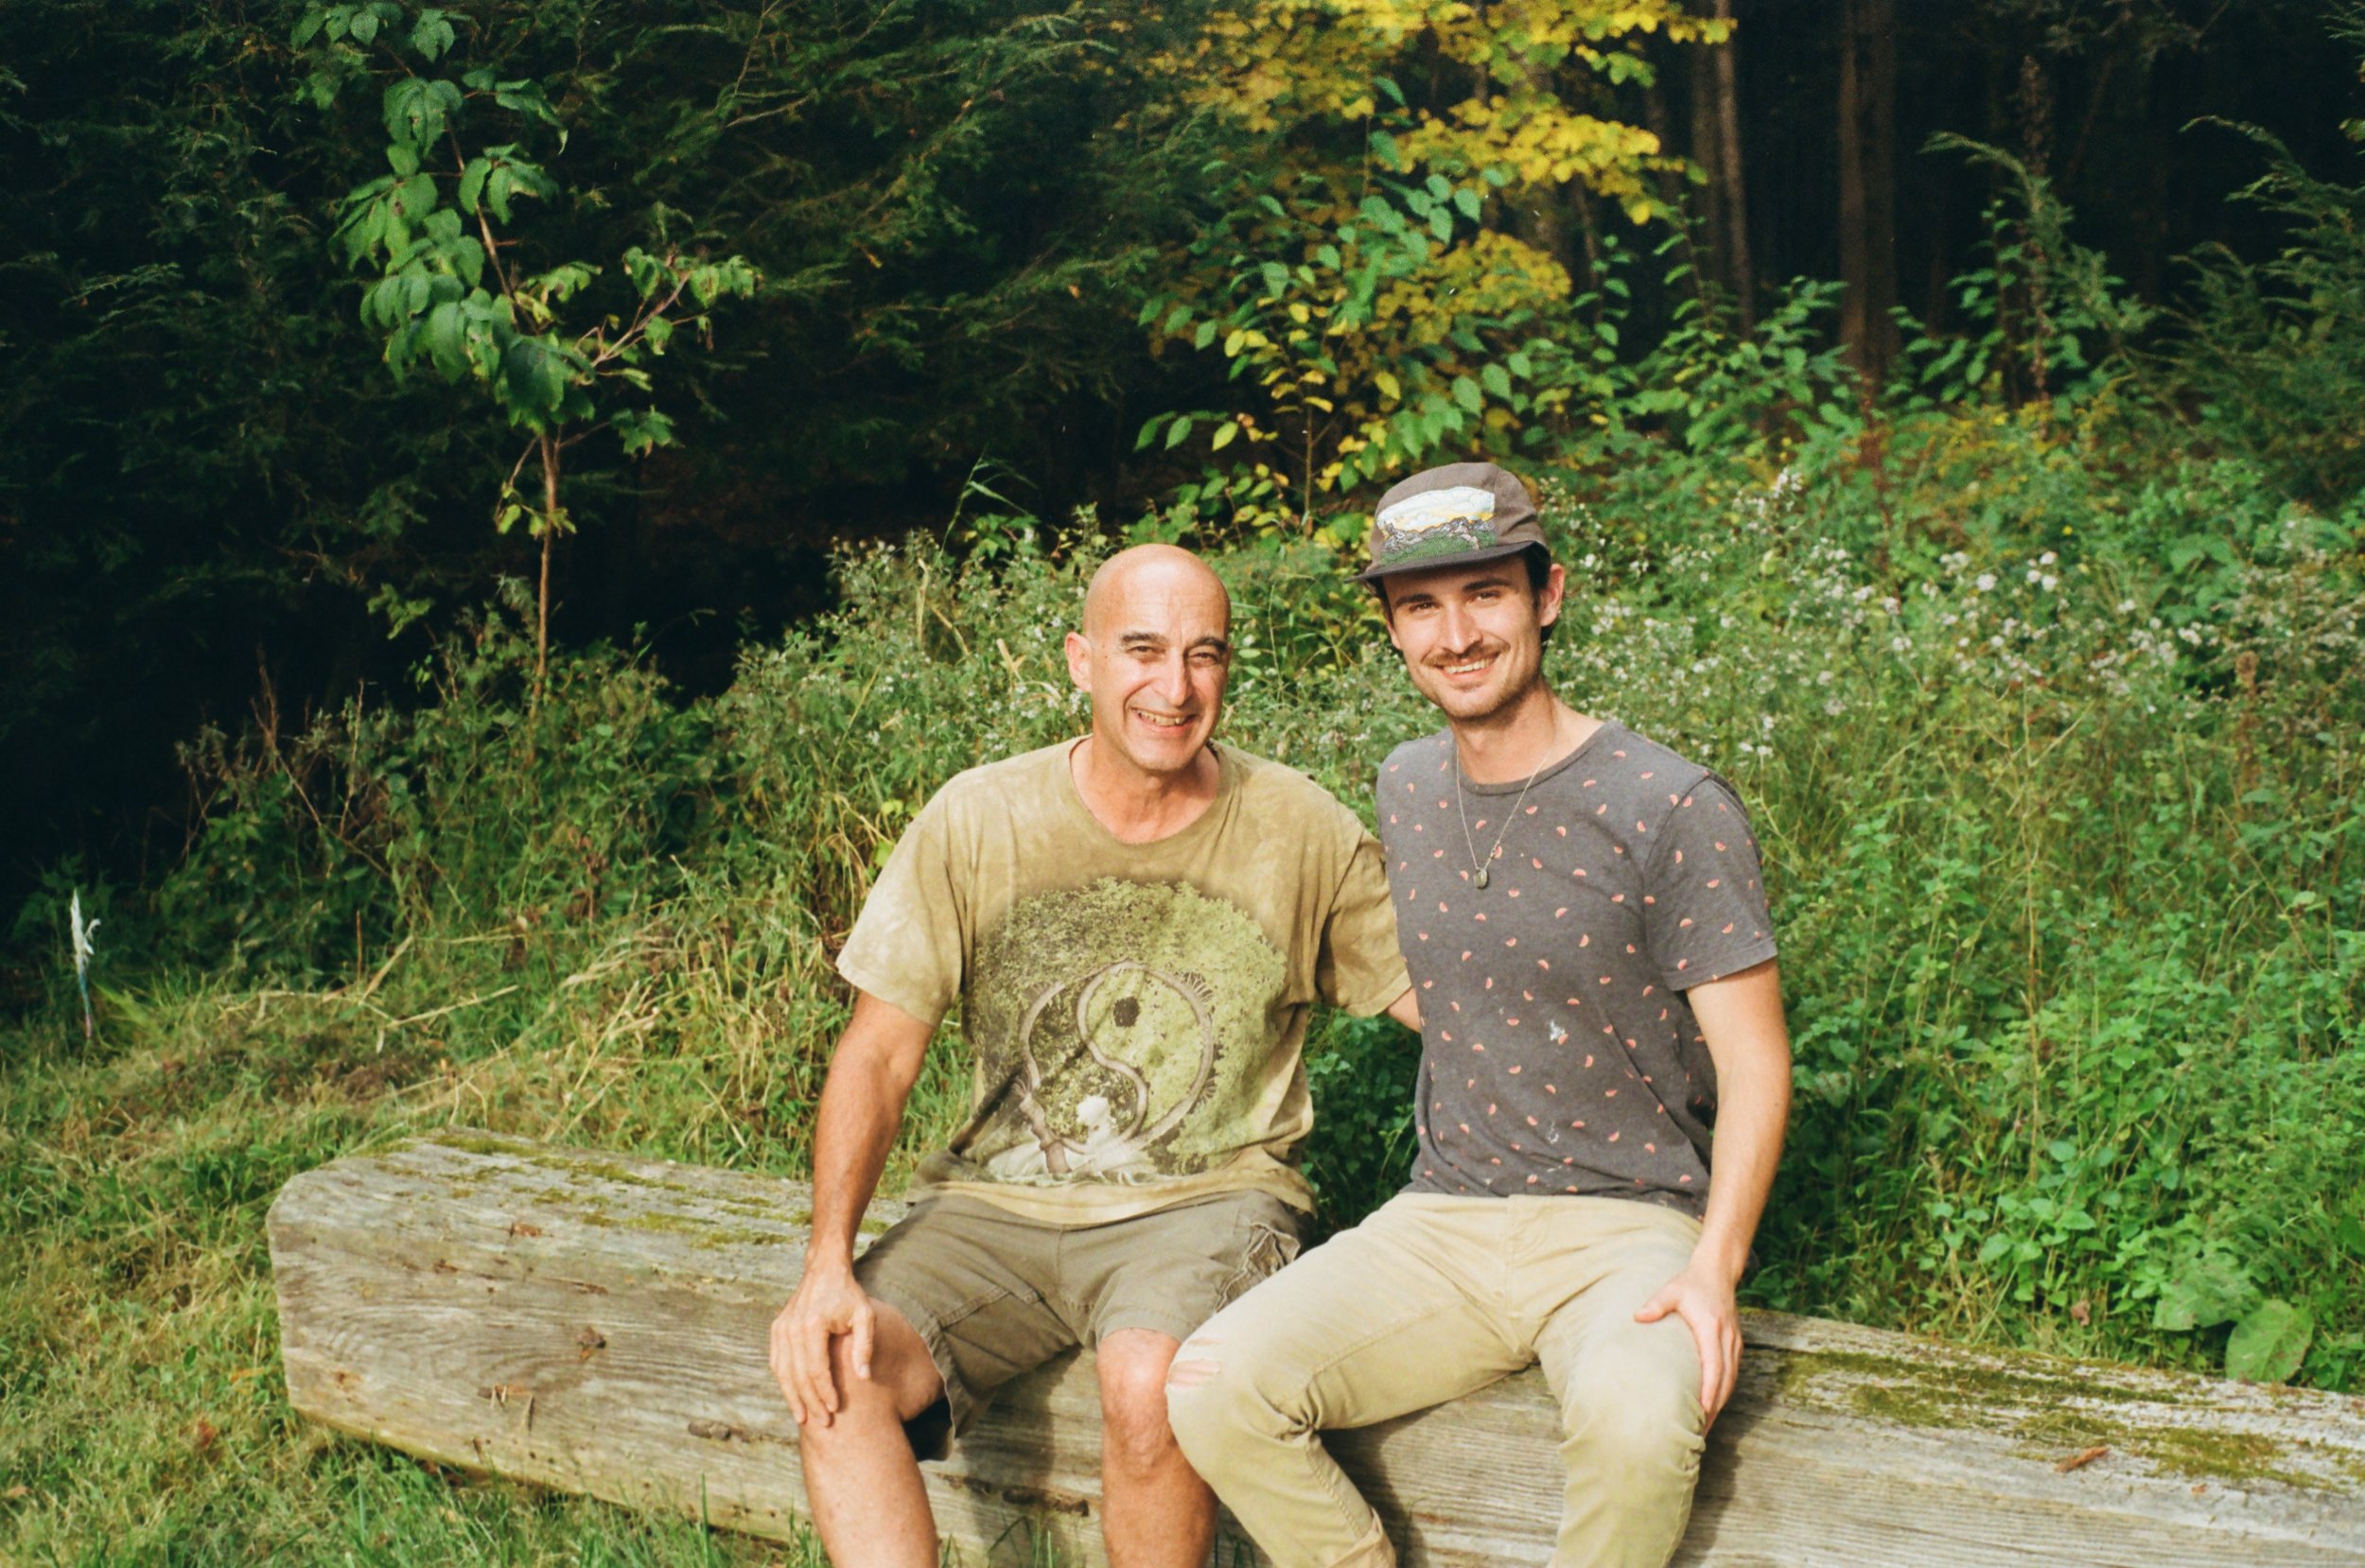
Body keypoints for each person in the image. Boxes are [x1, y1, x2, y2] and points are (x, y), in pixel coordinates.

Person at [1165, 463, 1793, 1568]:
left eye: (1485, 594)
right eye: (1420, 606)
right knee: (1211, 1383)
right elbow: (1464, 974)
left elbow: (1754, 1063)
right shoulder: (1406, 783)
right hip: (1444, 1219)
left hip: (1627, 1227)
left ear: (1547, 594)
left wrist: (1714, 1266)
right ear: (1393, 629)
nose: (1455, 633)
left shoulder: (1669, 806)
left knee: (1640, 1423)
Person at [769, 543, 1420, 1568]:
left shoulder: (1297, 827)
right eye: (1142, 650)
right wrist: (825, 1270)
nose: (1174, 686)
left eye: (1204, 655)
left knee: (1147, 1380)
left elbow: (1440, 999)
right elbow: (879, 1054)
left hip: (1205, 1202)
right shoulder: (980, 815)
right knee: (838, 1366)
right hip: (994, 1208)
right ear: (1080, 660)